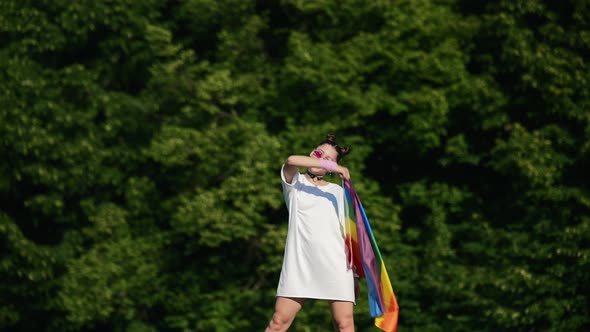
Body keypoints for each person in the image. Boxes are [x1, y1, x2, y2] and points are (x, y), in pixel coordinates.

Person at [265, 134, 358, 332]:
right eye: (318, 154)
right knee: (278, 323)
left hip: (336, 265)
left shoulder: (338, 192)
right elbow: (291, 160)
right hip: (299, 263)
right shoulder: (295, 183)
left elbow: (349, 235)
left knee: (345, 324)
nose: (320, 160)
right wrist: (334, 166)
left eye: (328, 159)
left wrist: (355, 275)